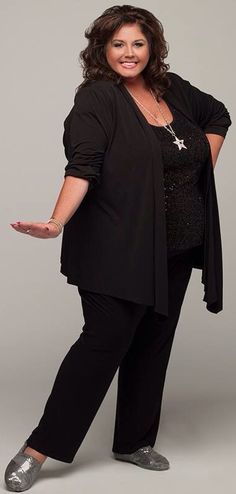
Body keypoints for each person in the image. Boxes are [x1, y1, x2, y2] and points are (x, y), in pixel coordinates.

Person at [5, 4, 231, 492]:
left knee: (153, 343)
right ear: (102, 50)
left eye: (139, 43)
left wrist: (199, 170)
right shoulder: (97, 100)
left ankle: (133, 441)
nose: (130, 53)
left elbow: (218, 115)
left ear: (152, 48)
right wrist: (56, 222)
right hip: (117, 247)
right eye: (119, 44)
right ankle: (37, 449)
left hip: (175, 248)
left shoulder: (171, 89)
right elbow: (82, 167)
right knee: (103, 343)